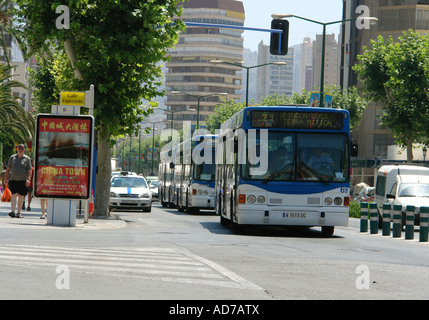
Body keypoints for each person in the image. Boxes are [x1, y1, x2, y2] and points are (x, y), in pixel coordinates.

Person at [5, 144, 32, 218]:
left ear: (24, 150)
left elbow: (29, 170)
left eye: (22, 148)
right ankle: (13, 211)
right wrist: (6, 179)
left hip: (22, 180)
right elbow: (8, 169)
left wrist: (28, 179)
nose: (20, 150)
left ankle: (18, 213)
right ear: (17, 149)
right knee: (13, 195)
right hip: (13, 180)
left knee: (21, 196)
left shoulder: (27, 159)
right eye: (19, 148)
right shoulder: (12, 157)